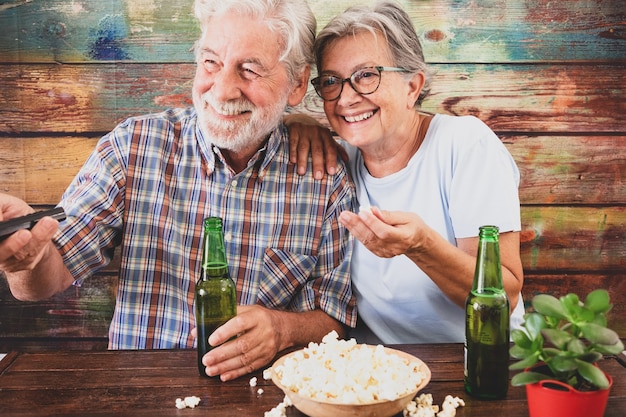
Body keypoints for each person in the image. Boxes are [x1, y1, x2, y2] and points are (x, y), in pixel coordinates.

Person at [0, 0, 357, 381]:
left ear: (298, 83)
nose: (221, 90)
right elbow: (45, 279)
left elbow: (335, 318)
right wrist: (27, 260)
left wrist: (282, 329)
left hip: (258, 397)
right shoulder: (133, 147)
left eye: (249, 70)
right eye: (211, 63)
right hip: (137, 390)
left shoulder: (325, 181)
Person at [291, 0, 525, 344]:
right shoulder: (338, 161)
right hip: (384, 373)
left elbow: (504, 294)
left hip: (480, 362)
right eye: (331, 81)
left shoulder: (464, 145)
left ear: (412, 87)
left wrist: (421, 246)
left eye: (366, 75)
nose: (345, 99)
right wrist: (293, 121)